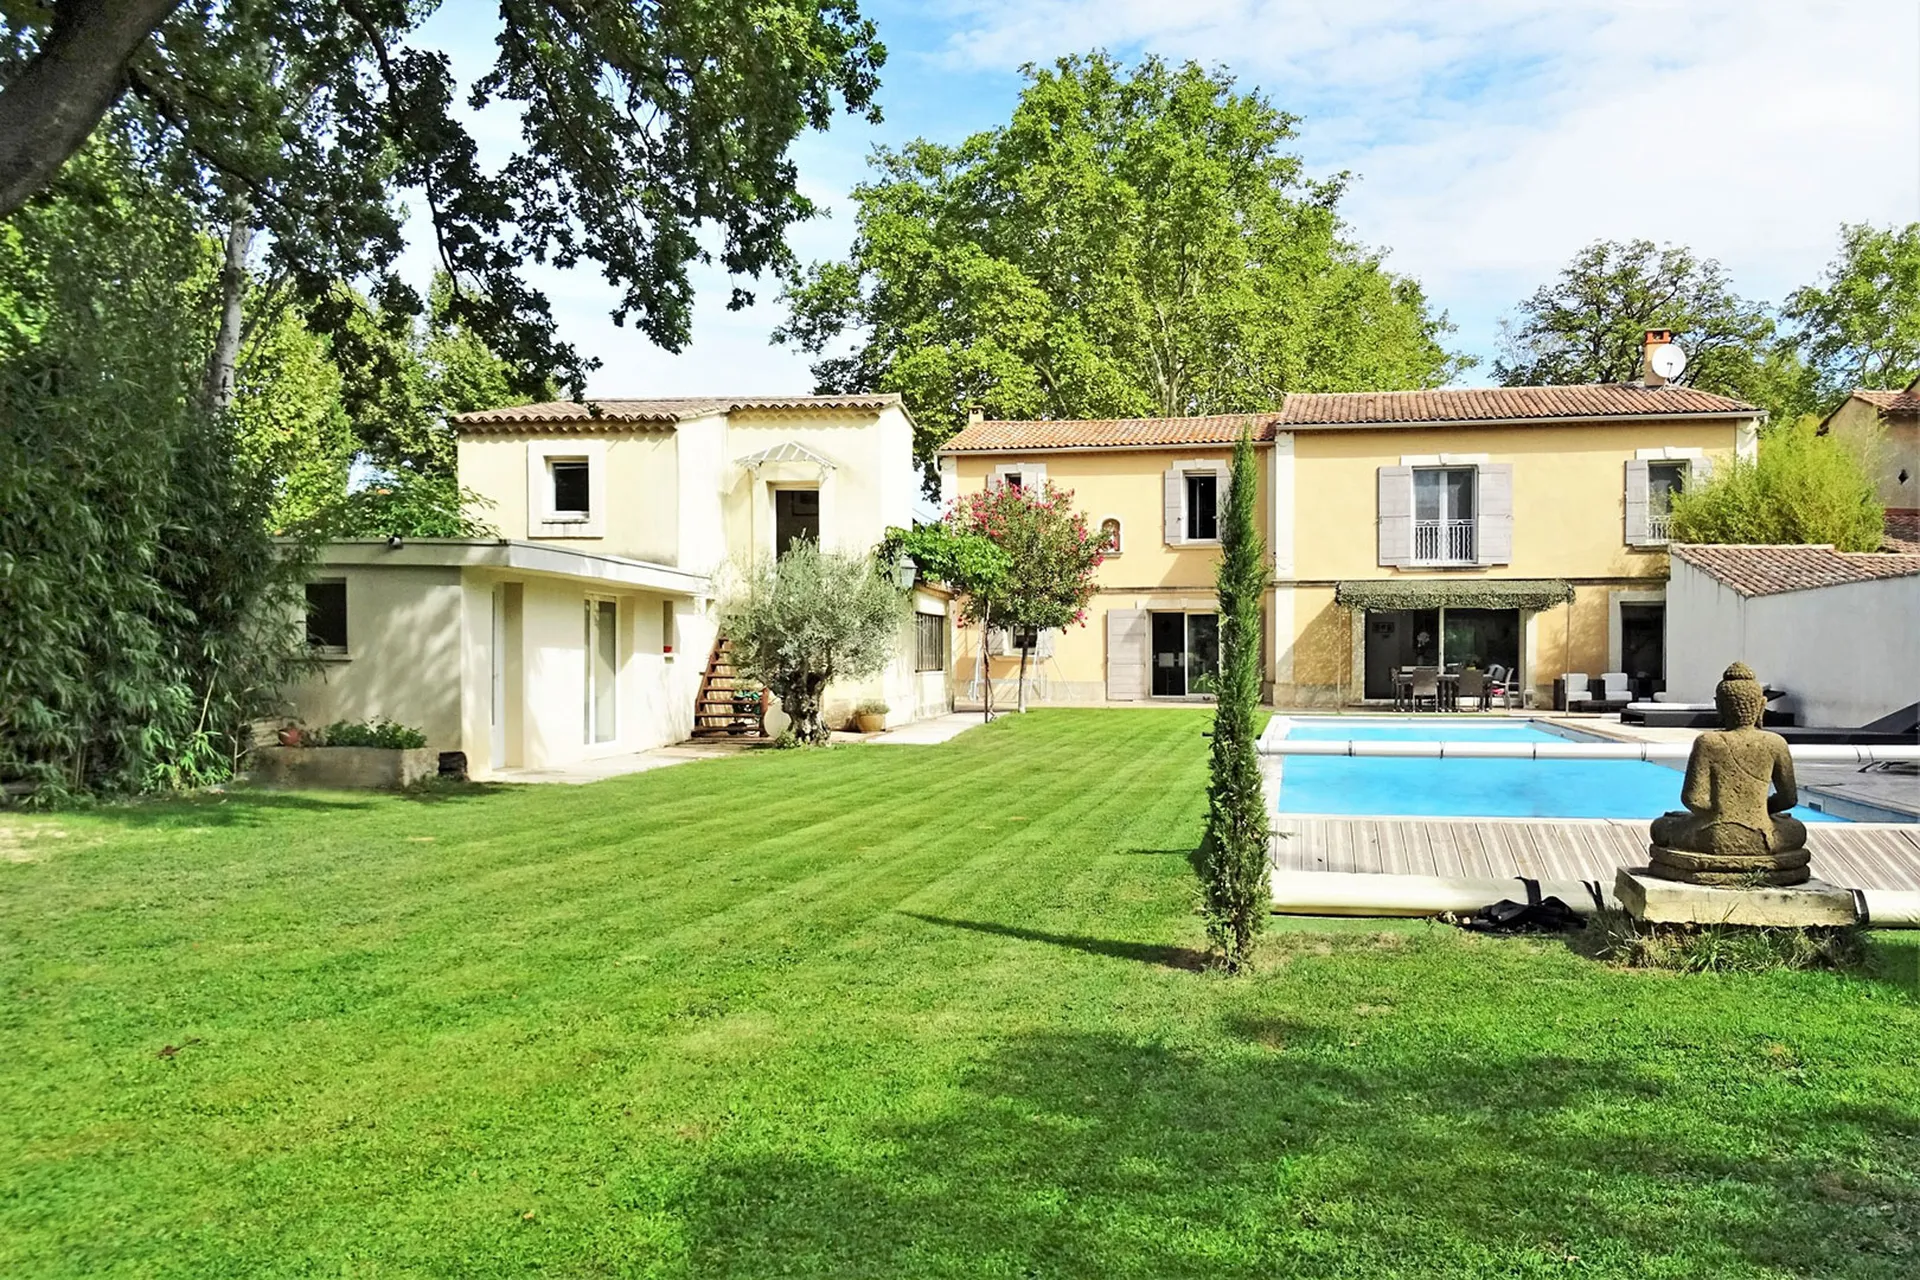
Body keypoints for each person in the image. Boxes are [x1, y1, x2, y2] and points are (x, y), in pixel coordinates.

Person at [1648, 662, 1807, 877]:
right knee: (1795, 829)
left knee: (1662, 826)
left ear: (1719, 706)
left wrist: (1713, 813)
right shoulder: (1775, 743)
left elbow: (1694, 800)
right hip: (1764, 836)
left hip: (1717, 834)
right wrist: (1757, 809)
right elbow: (1788, 798)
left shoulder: (1708, 742)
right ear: (1761, 705)